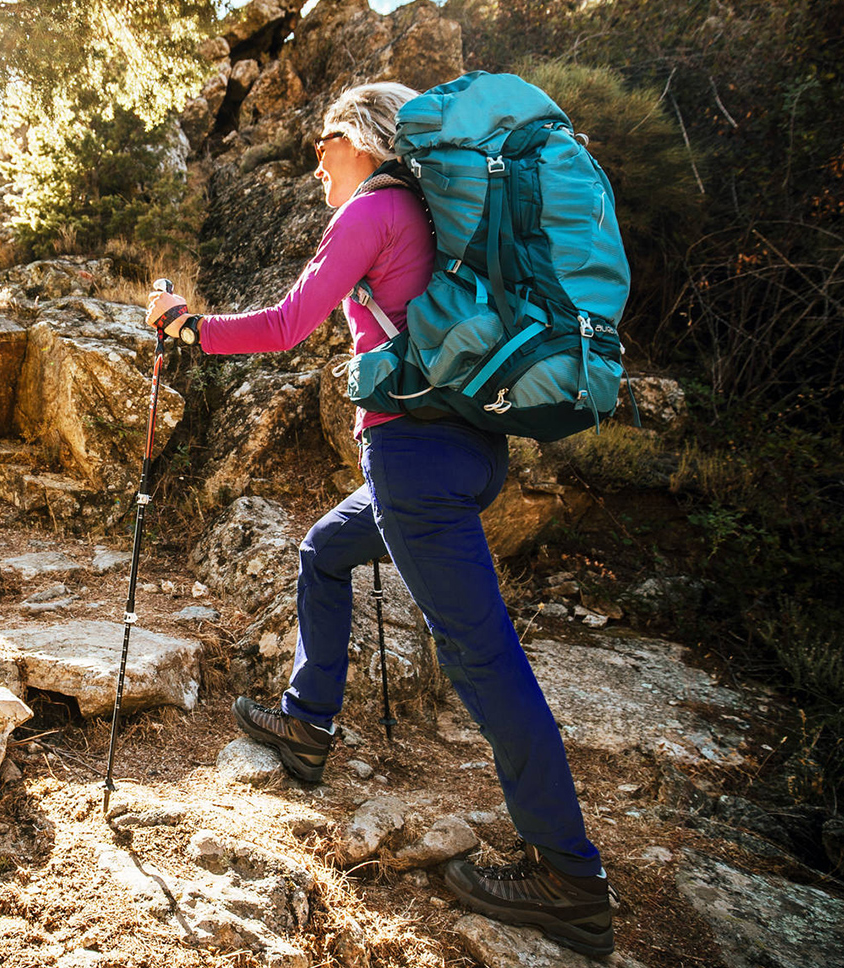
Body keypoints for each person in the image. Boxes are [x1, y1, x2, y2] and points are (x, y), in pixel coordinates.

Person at [145, 82, 615, 958]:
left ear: (362, 141)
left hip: (413, 464)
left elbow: (288, 325)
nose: (315, 156)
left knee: (481, 657)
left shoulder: (375, 208)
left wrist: (189, 325)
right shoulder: (438, 215)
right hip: (469, 452)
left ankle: (568, 876)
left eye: (326, 138)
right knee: (325, 550)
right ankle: (308, 722)